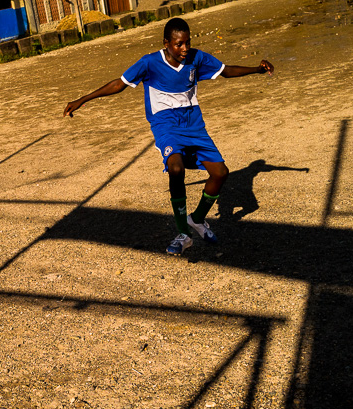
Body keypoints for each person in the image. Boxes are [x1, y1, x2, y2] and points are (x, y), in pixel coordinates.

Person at [64, 17, 274, 255]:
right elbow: (118, 84)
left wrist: (257, 69)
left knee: (221, 173)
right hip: (166, 124)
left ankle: (197, 219)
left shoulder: (197, 58)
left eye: (187, 42)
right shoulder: (149, 63)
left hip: (193, 123)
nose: (184, 48)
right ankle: (183, 233)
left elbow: (225, 71)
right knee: (175, 169)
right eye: (178, 44)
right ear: (166, 43)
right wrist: (82, 100)